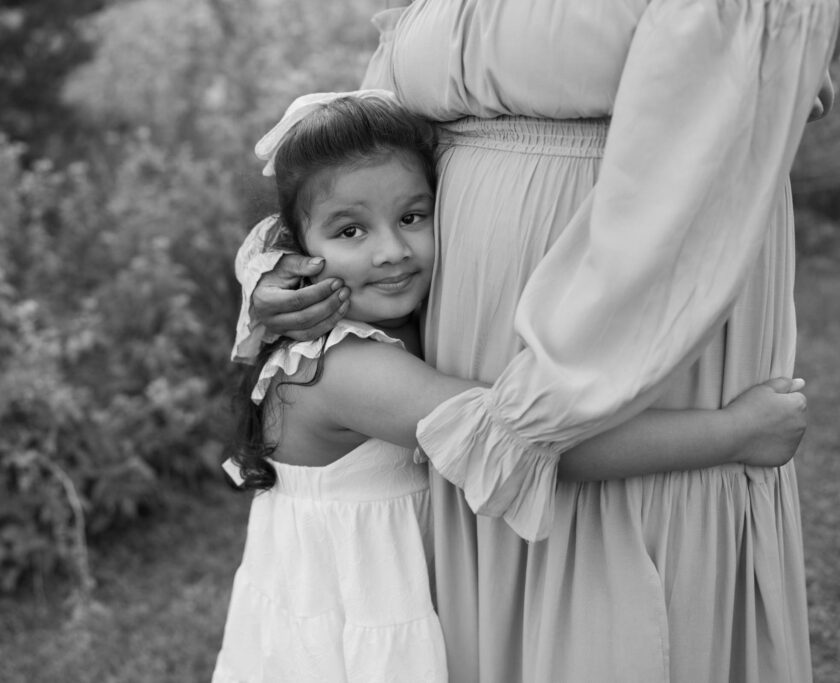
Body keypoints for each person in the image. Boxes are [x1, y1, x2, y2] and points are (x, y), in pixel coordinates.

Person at [234, 3, 840, 681]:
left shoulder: (357, 349)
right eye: (352, 232)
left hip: (633, 326)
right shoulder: (352, 369)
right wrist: (734, 433)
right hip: (372, 620)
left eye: (414, 215)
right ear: (299, 248)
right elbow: (531, 445)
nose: (393, 252)